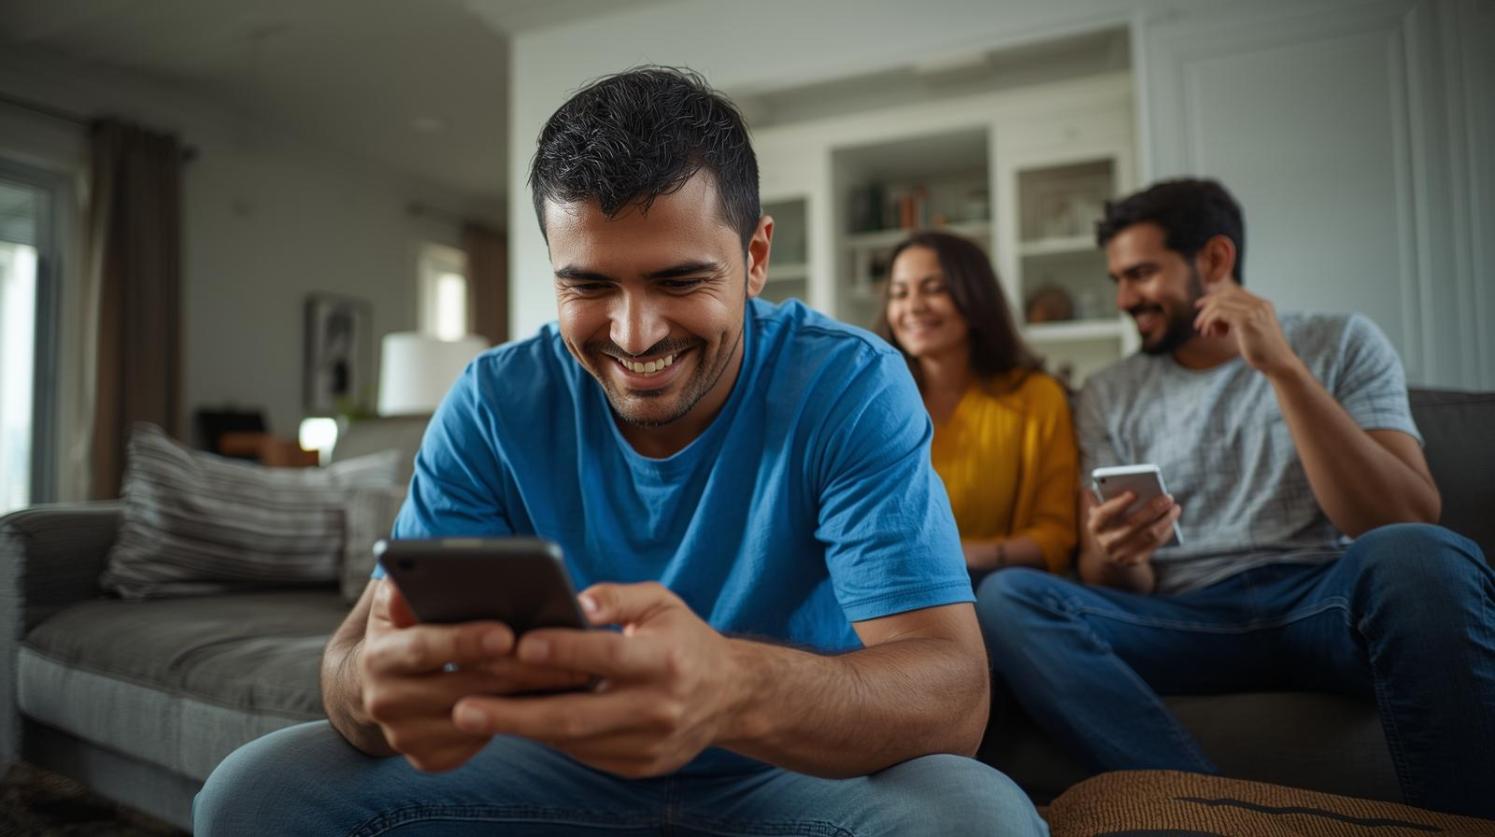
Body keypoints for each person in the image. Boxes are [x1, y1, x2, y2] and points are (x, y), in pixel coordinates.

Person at [194, 68, 1047, 836]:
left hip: (795, 767)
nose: (634, 335)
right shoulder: (492, 401)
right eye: (589, 285)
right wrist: (371, 692)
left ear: (754, 258)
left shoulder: (849, 383)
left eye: (680, 280)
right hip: (550, 763)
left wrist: (731, 688)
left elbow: (953, 695)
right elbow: (353, 660)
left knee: (978, 818)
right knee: (256, 794)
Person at [975, 178, 1495, 818]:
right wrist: (1118, 551)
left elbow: (1405, 515)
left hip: (1323, 602)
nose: (1124, 299)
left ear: (1215, 259)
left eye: (1141, 274)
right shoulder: (1110, 391)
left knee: (1421, 555)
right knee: (1009, 597)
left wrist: (1283, 369)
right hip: (1182, 618)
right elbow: (1117, 583)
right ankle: (1215, 811)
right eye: (1117, 280)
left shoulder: (1341, 342)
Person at [876, 232, 1077, 576]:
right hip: (890, 582)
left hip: (991, 582)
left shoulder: (1036, 397)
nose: (914, 307)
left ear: (974, 298)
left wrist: (960, 555)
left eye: (934, 289)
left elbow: (1056, 536)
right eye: (900, 293)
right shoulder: (875, 402)